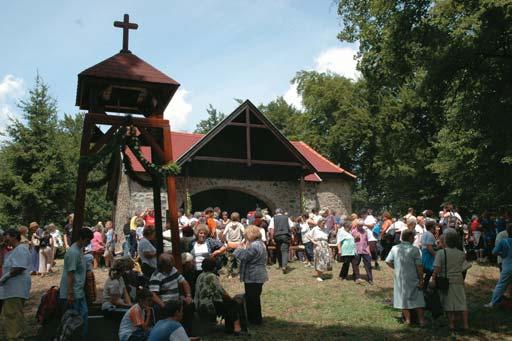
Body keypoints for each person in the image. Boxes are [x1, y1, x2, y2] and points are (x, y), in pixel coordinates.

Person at [194, 257, 247, 336]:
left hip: (198, 304)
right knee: (234, 304)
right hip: (208, 306)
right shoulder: (211, 276)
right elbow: (221, 292)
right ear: (214, 267)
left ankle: (230, 328)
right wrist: (231, 299)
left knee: (228, 303)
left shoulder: (200, 276)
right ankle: (237, 328)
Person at [385, 229, 426, 326]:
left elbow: (388, 261)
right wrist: (421, 279)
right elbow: (419, 266)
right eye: (413, 237)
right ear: (410, 238)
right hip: (413, 277)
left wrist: (396, 267)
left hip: (400, 278)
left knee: (402, 298)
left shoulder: (395, 248)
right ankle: (421, 320)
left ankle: (408, 320)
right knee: (418, 299)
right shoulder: (415, 249)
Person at [432, 230, 469, 335]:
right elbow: (465, 267)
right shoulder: (461, 254)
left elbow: (437, 268)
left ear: (446, 241)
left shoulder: (441, 253)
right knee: (462, 302)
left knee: (448, 304)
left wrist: (433, 279)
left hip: (446, 281)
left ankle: (452, 325)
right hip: (458, 280)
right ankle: (465, 324)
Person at [59, 227, 94, 338]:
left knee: (83, 316)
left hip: (78, 291)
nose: (88, 243)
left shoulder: (79, 249)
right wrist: (70, 293)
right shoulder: (73, 252)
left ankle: (81, 337)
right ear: (81, 238)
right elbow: (70, 274)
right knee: (76, 321)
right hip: (73, 293)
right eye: (87, 240)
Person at [0, 228, 32, 341]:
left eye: (6, 236)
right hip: (10, 290)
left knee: (12, 315)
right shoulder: (12, 251)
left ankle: (14, 338)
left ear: (14, 236)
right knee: (10, 315)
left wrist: (3, 278)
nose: (4, 239)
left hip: (16, 289)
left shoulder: (21, 249)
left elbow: (18, 267)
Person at [232, 226, 268, 325]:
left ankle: (254, 320)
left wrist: (238, 248)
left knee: (252, 299)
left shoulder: (255, 245)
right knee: (254, 298)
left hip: (254, 275)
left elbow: (245, 256)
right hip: (256, 275)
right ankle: (255, 319)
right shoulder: (260, 244)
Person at [487, 224, 512, 307]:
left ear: (507, 231)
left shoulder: (504, 241)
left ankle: (493, 303)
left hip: (508, 266)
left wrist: (502, 254)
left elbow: (494, 252)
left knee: (501, 285)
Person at [268, 208, 294, 274]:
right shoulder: (286, 218)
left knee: (278, 250)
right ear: (281, 212)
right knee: (284, 251)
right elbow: (291, 227)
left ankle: (280, 265)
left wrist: (272, 238)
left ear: (276, 213)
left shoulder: (273, 218)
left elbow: (271, 229)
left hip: (277, 236)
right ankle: (284, 266)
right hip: (285, 235)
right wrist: (291, 233)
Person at [223, 212, 244, 278]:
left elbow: (223, 234)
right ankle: (239, 274)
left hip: (230, 244)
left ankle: (229, 274)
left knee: (230, 260)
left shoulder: (228, 225)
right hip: (238, 244)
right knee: (239, 260)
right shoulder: (240, 225)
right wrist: (242, 241)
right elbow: (245, 233)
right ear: (238, 218)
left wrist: (225, 242)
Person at [352, 219, 373, 284]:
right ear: (357, 225)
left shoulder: (365, 231)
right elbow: (350, 241)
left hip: (365, 250)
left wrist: (369, 250)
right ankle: (356, 277)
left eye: (362, 226)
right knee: (355, 264)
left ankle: (370, 279)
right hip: (357, 250)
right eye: (359, 226)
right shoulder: (353, 231)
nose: (361, 227)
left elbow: (368, 241)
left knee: (368, 264)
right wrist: (355, 238)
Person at [421, 220, 437, 289]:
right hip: (428, 255)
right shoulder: (430, 235)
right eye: (435, 227)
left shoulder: (425, 233)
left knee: (426, 270)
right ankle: (425, 286)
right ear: (432, 227)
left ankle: (424, 284)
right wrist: (435, 255)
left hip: (424, 253)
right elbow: (429, 247)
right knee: (430, 270)